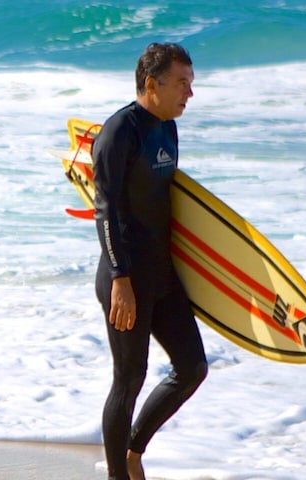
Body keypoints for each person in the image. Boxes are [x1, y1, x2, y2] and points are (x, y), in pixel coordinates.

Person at [91, 42, 207, 480]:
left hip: (162, 274)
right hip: (127, 278)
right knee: (129, 380)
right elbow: (105, 210)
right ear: (152, 84)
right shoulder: (120, 131)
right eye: (181, 83)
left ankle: (133, 451)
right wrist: (120, 279)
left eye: (190, 83)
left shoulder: (168, 128)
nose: (189, 93)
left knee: (192, 368)